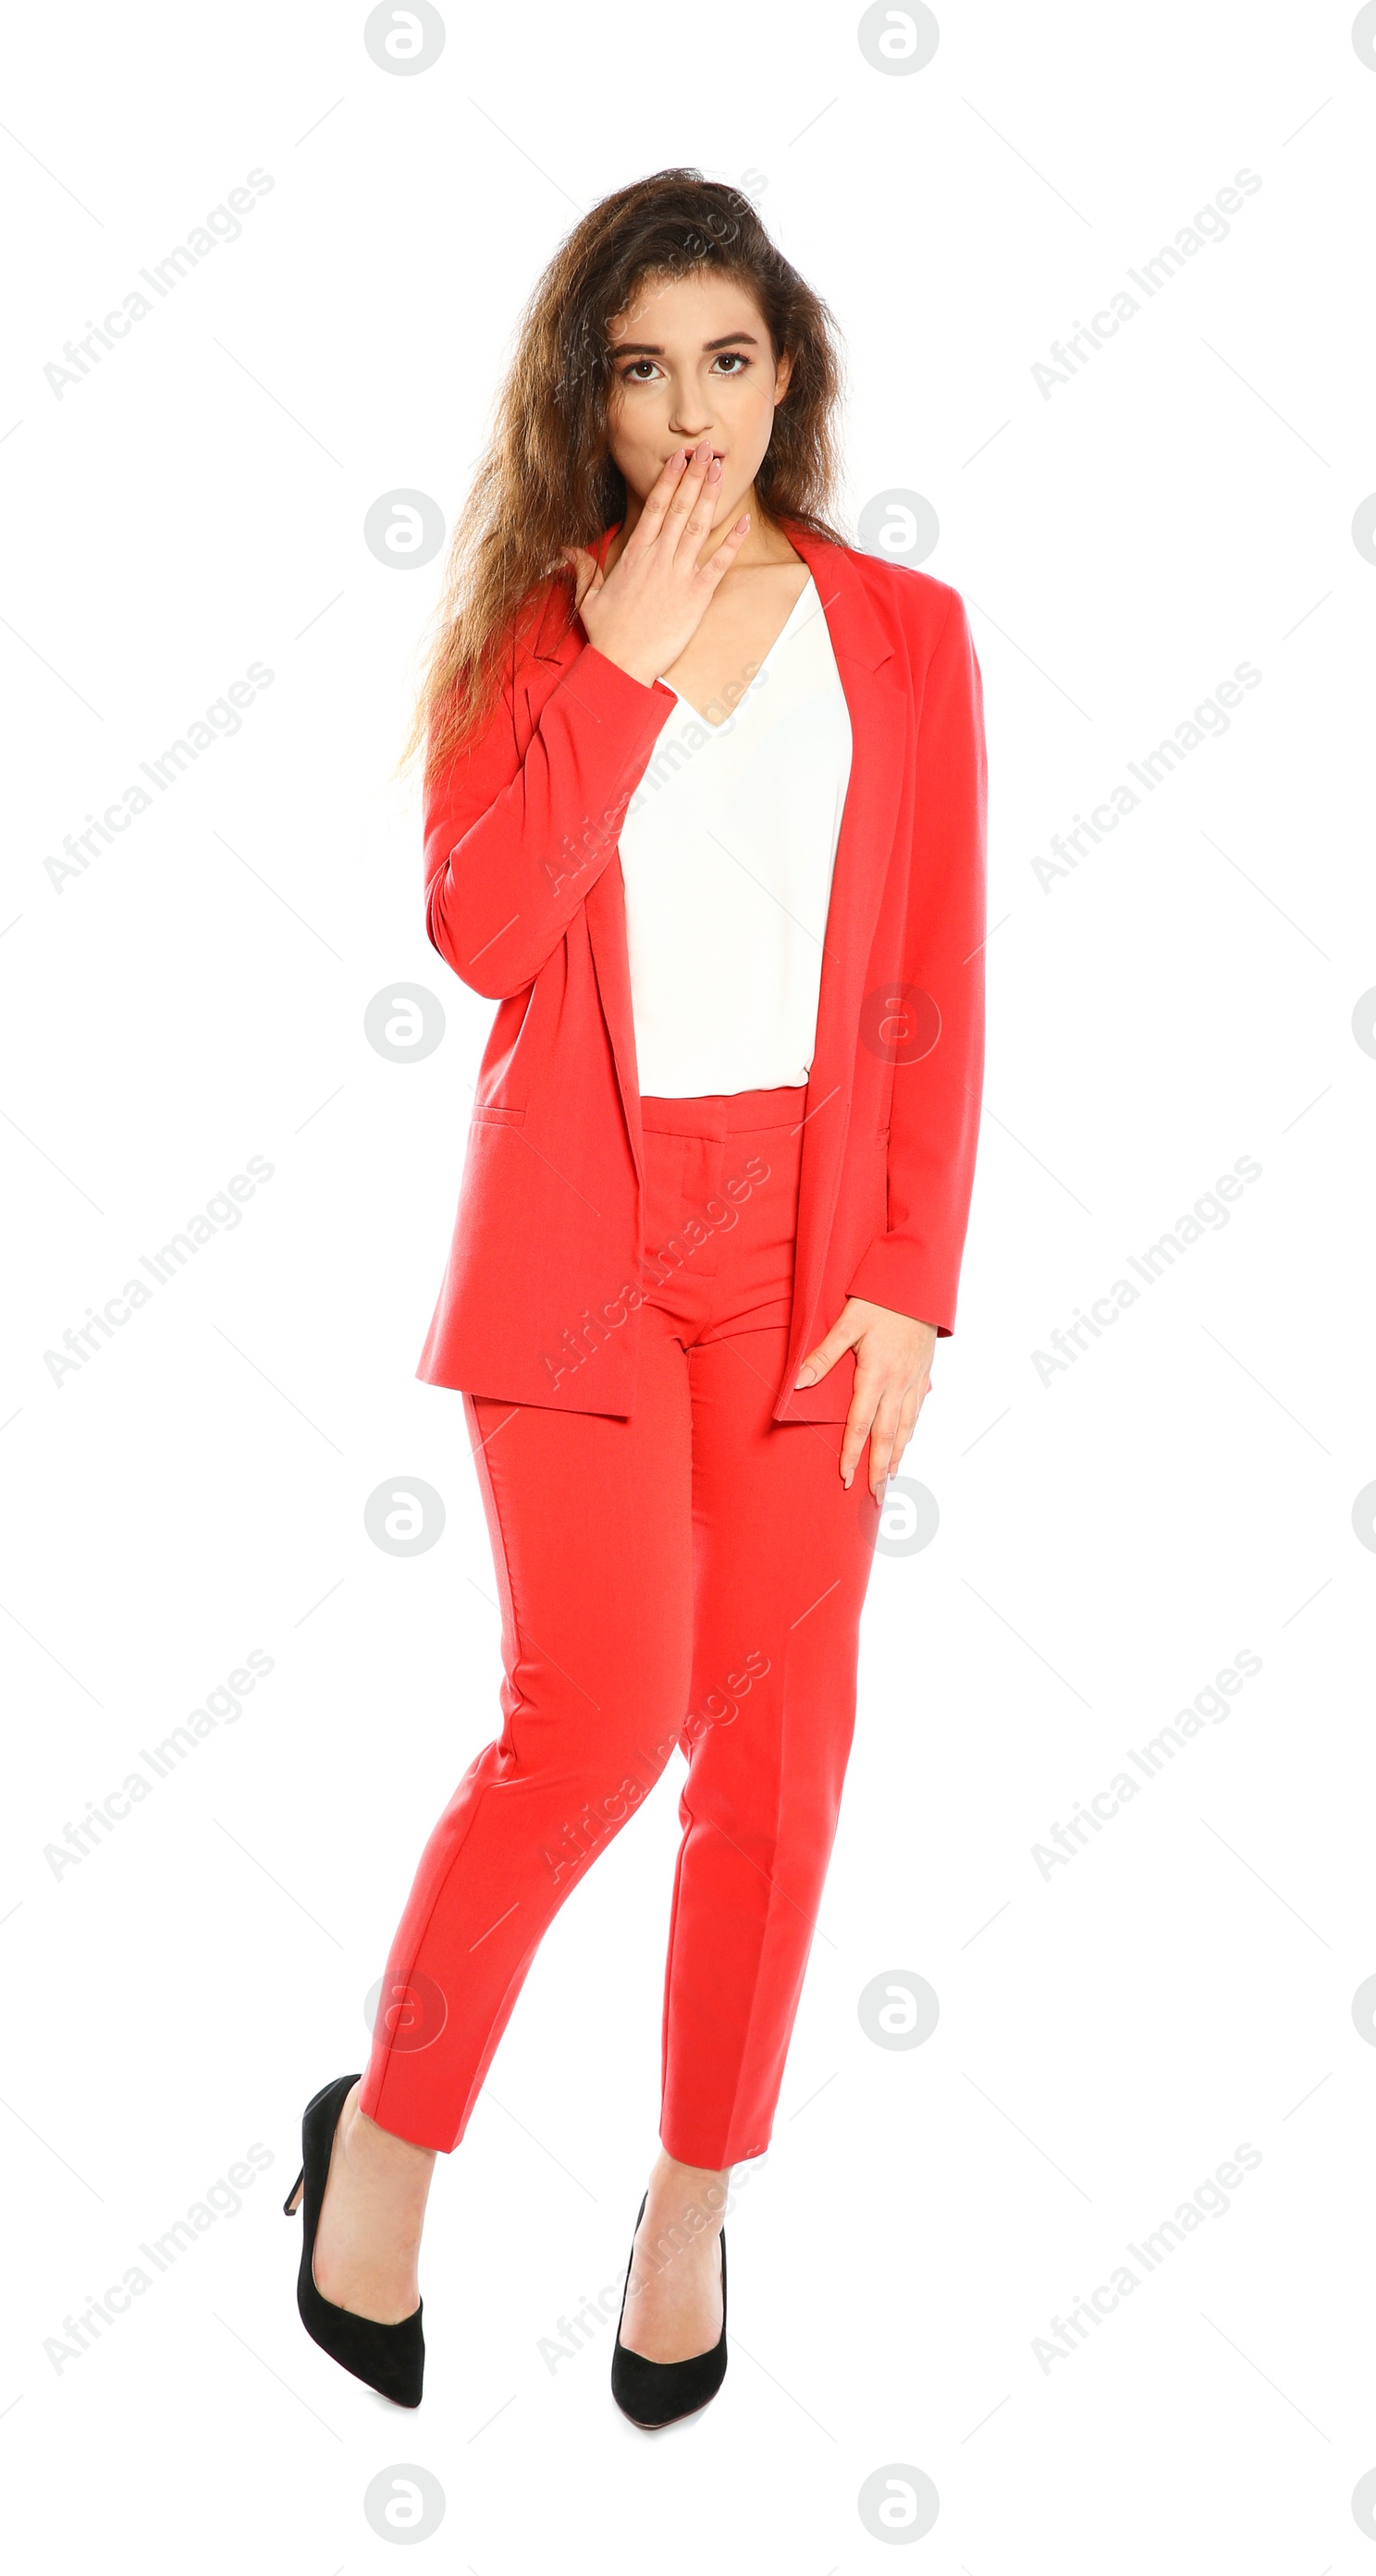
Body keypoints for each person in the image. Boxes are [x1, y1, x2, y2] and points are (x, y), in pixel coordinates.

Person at [284, 167, 987, 2429]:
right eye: (640, 368)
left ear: (786, 373)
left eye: (728, 359)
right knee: (591, 1723)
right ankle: (380, 2136)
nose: (690, 413)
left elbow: (933, 983)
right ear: (584, 402)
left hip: (811, 1260)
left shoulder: (904, 633)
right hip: (586, 1253)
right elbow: (483, 937)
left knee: (772, 1755)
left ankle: (690, 2196)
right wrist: (609, 666)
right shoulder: (538, 625)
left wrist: (906, 1282)